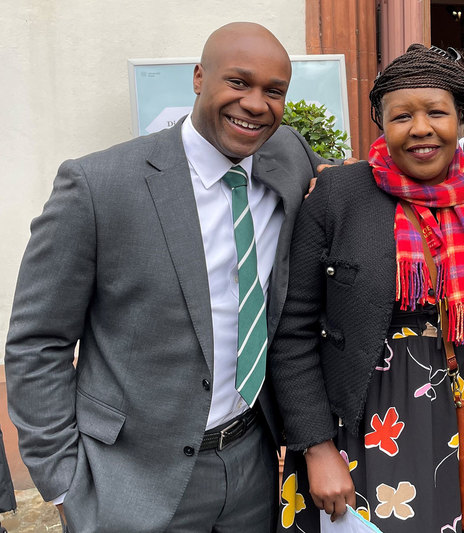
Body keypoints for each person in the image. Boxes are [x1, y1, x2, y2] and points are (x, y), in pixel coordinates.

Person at [4, 22, 333, 533]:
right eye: (238, 82)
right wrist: (63, 479)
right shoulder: (98, 185)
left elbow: (362, 174)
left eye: (274, 91)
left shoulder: (286, 153)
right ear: (200, 77)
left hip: (252, 461)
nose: (255, 103)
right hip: (130, 480)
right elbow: (36, 342)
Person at [268, 44, 464, 533]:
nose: (421, 128)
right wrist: (317, 446)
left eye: (437, 113)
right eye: (401, 115)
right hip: (362, 427)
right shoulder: (338, 196)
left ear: (460, 119)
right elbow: (292, 331)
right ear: (381, 123)